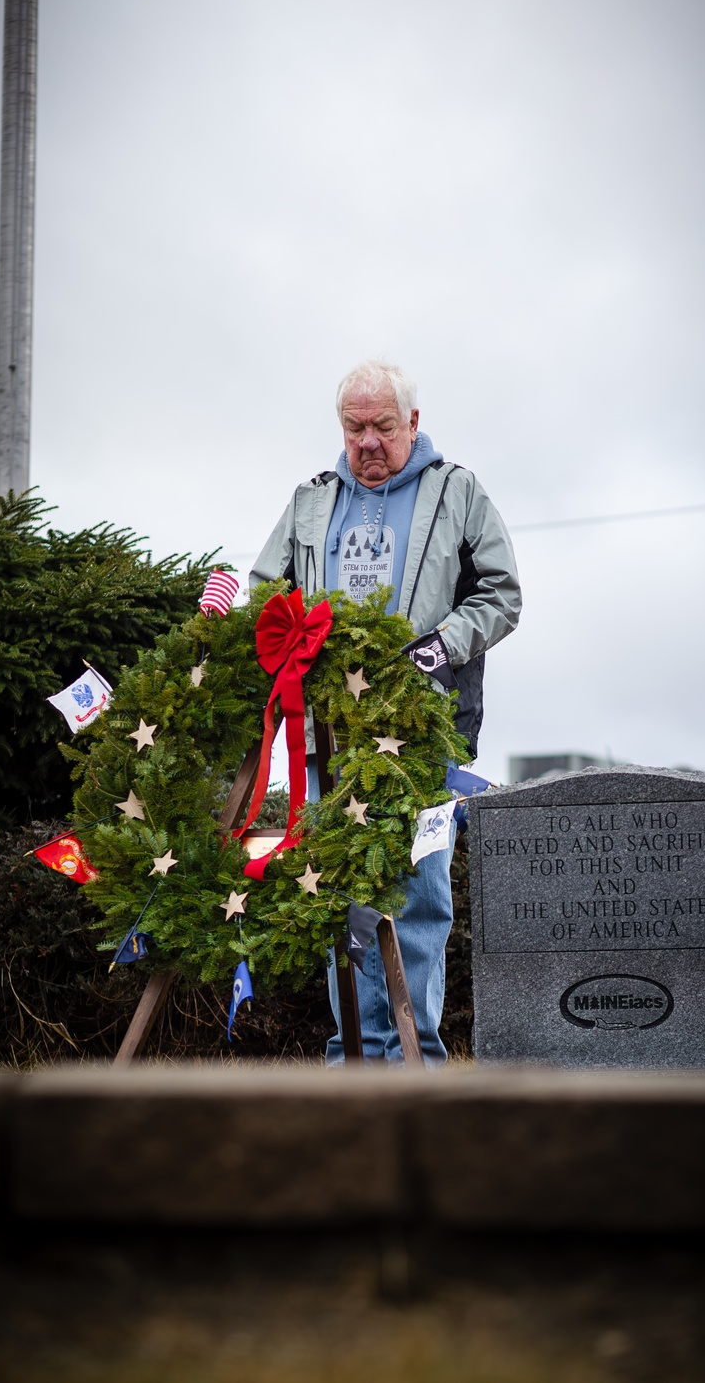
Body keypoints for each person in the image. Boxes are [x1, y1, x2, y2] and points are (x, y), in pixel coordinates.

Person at [249, 358, 521, 1064]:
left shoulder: (458, 491)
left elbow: (502, 594)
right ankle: (353, 1062)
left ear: (414, 424)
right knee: (339, 893)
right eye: (354, 428)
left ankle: (414, 1062)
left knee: (419, 897)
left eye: (383, 428)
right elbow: (260, 594)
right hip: (328, 740)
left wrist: (441, 646)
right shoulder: (310, 501)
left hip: (427, 738)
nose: (368, 442)